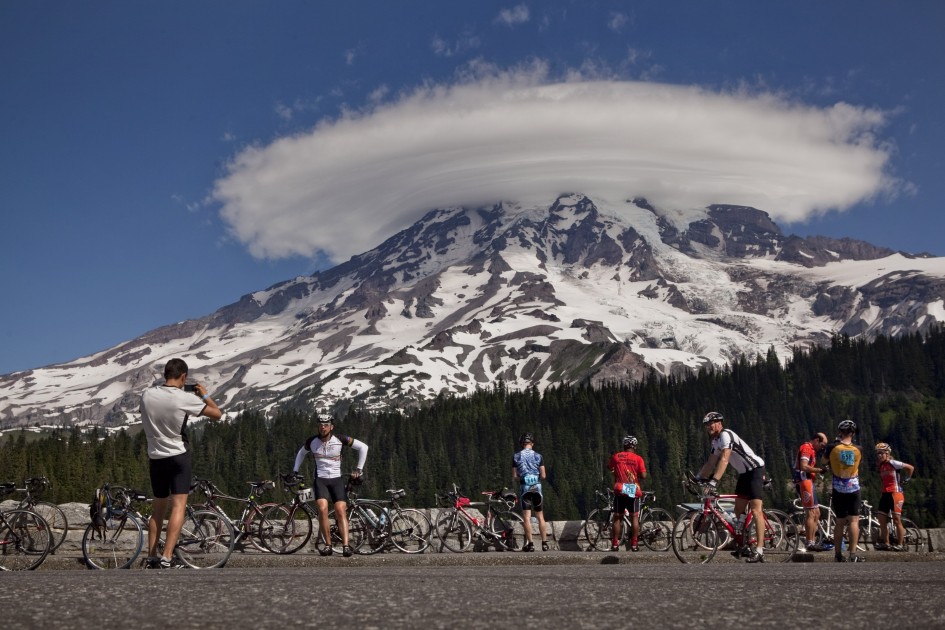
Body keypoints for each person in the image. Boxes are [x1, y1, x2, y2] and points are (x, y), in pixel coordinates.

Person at [140, 358, 223, 569]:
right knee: (178, 506)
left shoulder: (147, 395)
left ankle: (151, 556)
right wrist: (203, 394)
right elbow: (217, 414)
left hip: (155, 457)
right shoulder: (183, 398)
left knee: (158, 509)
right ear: (183, 377)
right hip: (178, 456)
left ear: (165, 375)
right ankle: (167, 556)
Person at [292, 415, 368, 557]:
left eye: (326, 424)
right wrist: (295, 470)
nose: (323, 427)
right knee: (322, 509)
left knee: (340, 510)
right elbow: (301, 453)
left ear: (331, 427)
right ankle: (328, 545)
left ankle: (346, 546)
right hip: (320, 479)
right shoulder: (312, 441)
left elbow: (364, 447)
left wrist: (359, 469)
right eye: (320, 424)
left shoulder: (340, 439)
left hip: (336, 479)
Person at [696, 411, 767, 563]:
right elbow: (710, 463)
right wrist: (698, 478)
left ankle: (760, 550)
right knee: (738, 508)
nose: (709, 427)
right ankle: (743, 542)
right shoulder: (715, 442)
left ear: (719, 423)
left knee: (756, 510)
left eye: (711, 423)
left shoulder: (726, 435)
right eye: (707, 425)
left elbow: (724, 459)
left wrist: (714, 481)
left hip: (755, 470)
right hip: (743, 473)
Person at [823, 419, 865, 562]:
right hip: (853, 487)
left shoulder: (832, 447)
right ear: (853, 433)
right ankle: (853, 554)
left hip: (838, 488)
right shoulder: (858, 449)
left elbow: (823, 462)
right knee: (854, 521)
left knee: (840, 521)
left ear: (840, 432)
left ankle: (838, 555)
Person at [607, 435, 647, 552]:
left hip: (620, 489)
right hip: (633, 489)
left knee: (617, 517)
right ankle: (634, 544)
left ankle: (615, 544)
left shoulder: (616, 456)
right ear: (635, 446)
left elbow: (609, 467)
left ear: (624, 445)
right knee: (634, 516)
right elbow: (644, 475)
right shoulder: (638, 458)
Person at [874, 442, 915, 551]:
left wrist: (906, 480)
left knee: (897, 520)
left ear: (887, 453)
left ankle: (900, 544)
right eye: (878, 453)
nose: (879, 455)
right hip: (885, 494)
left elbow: (910, 468)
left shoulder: (893, 463)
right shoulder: (881, 466)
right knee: (881, 520)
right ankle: (886, 543)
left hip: (895, 494)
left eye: (882, 453)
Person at [512, 432, 549, 552]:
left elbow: (515, 476)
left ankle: (531, 544)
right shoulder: (539, 456)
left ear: (522, 444)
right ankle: (544, 543)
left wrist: (522, 477)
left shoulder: (516, 456)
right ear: (532, 443)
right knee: (540, 516)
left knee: (527, 517)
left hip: (525, 488)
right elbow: (543, 475)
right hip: (537, 488)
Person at [794, 432, 829, 552]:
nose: (822, 448)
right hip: (804, 481)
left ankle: (813, 541)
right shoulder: (806, 448)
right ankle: (810, 542)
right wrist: (819, 470)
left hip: (808, 481)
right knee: (811, 513)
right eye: (822, 445)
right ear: (816, 440)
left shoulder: (811, 450)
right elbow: (803, 466)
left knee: (817, 513)